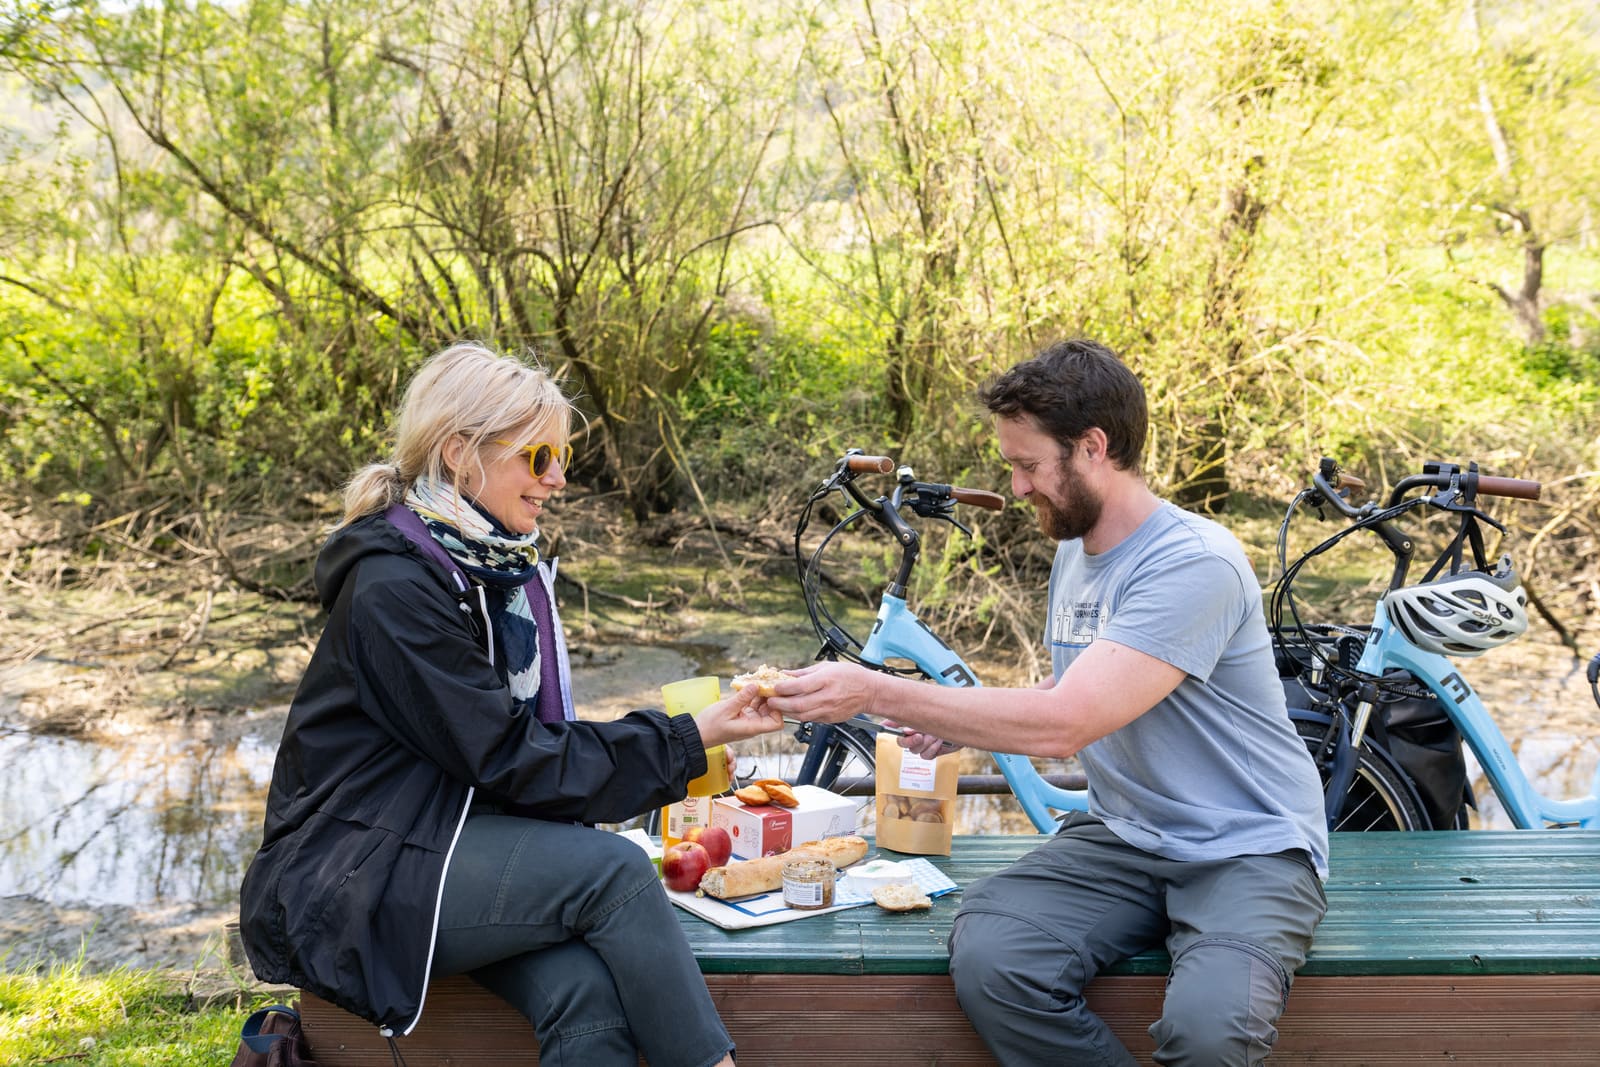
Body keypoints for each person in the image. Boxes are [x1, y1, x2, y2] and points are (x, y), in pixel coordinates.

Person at [771, 339, 1329, 1066]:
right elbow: (1082, 689)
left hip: (1246, 847)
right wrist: (951, 720)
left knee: (1209, 1031)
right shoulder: (1076, 550)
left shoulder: (1194, 562)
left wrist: (873, 687)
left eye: (1029, 464)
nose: (1017, 486)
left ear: (1093, 447)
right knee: (993, 956)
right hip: (1129, 834)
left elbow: (1069, 721)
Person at [239, 341, 781, 1067]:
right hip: (356, 872)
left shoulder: (490, 572)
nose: (557, 477)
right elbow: (511, 756)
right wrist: (681, 741)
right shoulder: (395, 590)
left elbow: (518, 749)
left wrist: (700, 731)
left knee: (584, 992)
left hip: (437, 838)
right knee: (615, 872)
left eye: (561, 455)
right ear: (461, 454)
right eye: (538, 456)